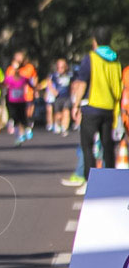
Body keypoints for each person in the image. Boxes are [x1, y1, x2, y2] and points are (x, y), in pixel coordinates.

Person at [71, 27, 123, 177]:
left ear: (95, 41)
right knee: (108, 146)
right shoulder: (115, 60)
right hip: (109, 109)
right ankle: (111, 179)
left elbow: (82, 83)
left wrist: (76, 104)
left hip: (91, 107)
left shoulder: (91, 58)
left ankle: (90, 180)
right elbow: (117, 87)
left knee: (87, 146)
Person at [4, 54, 35, 146]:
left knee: (23, 118)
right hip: (12, 101)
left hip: (21, 101)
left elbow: (31, 84)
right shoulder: (9, 78)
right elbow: (4, 84)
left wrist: (36, 89)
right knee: (15, 119)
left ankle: (27, 129)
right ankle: (18, 137)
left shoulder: (24, 78)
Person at [49, 58, 73, 136]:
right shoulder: (54, 75)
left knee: (66, 111)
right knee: (58, 115)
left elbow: (74, 83)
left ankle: (64, 128)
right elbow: (48, 82)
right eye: (59, 67)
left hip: (67, 97)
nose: (60, 69)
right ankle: (58, 124)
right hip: (58, 97)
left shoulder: (70, 75)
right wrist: (53, 91)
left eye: (62, 67)